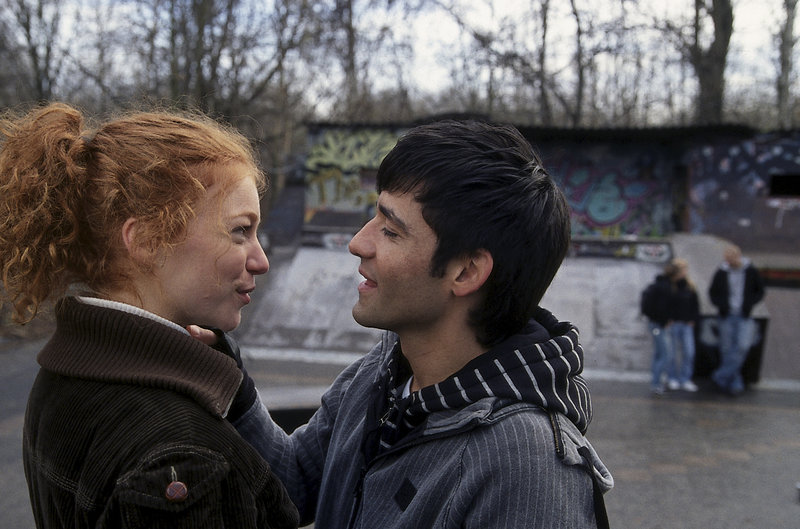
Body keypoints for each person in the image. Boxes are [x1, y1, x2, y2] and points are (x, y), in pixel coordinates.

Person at [229, 120, 613, 528]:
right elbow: (291, 483)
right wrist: (220, 370)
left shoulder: (526, 463)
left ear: (465, 272)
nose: (358, 242)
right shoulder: (381, 374)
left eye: (391, 231)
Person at [0, 103, 298, 528]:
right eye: (239, 231)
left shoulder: (64, 377)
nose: (261, 260)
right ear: (146, 241)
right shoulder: (184, 465)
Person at [708, 244, 765, 395]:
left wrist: (749, 303)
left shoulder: (751, 271)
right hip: (726, 315)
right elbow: (712, 292)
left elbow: (760, 290)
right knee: (727, 349)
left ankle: (720, 376)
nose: (728, 262)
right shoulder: (721, 272)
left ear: (737, 256)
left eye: (730, 259)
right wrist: (721, 304)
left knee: (742, 346)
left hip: (744, 315)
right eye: (726, 259)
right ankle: (735, 382)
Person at [640, 262, 675, 395]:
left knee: (659, 354)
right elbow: (662, 307)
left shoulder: (659, 285)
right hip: (659, 325)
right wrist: (664, 321)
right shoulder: (665, 287)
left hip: (656, 324)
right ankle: (656, 383)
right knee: (664, 354)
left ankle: (656, 382)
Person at [666, 258, 700, 392]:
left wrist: (693, 320)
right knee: (672, 353)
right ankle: (672, 377)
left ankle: (685, 379)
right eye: (682, 270)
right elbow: (667, 304)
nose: (684, 272)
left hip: (686, 324)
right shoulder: (670, 286)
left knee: (689, 352)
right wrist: (668, 318)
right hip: (674, 323)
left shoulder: (689, 286)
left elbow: (695, 305)